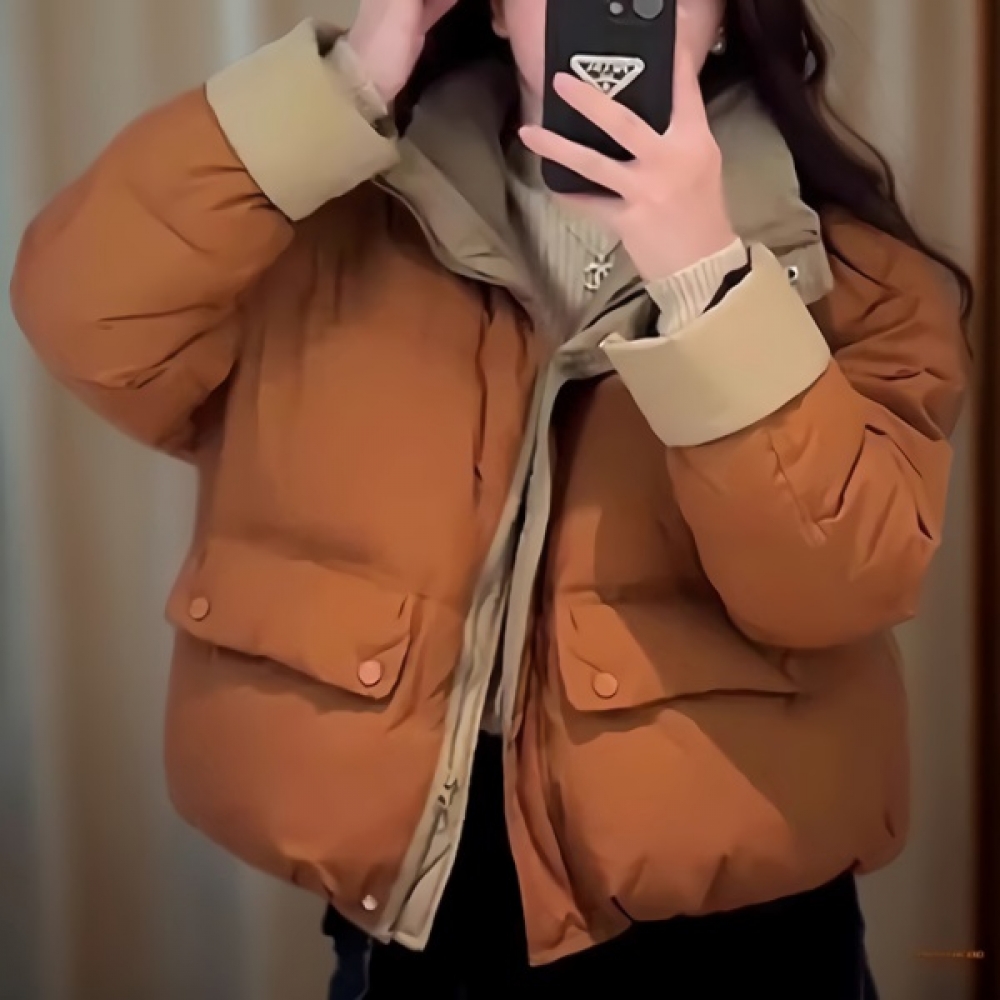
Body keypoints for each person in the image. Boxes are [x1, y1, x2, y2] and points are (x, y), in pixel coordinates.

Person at [10, 0, 972, 996]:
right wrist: (343, 84)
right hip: (419, 936)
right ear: (498, 11)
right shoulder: (317, 217)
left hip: (749, 948)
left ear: (726, 20)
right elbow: (85, 313)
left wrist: (707, 277)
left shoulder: (863, 284)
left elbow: (834, 583)